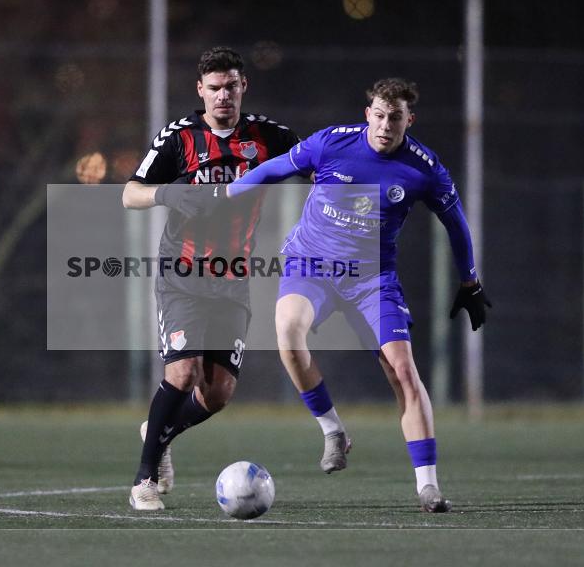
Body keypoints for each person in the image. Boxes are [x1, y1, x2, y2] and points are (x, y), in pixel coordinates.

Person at [226, 77, 491, 512]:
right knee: (288, 334)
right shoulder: (332, 142)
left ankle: (428, 485)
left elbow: (457, 224)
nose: (387, 126)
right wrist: (230, 191)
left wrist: (470, 281)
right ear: (368, 113)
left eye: (397, 118)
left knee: (403, 371)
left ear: (410, 120)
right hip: (311, 265)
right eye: (380, 115)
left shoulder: (423, 167)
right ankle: (332, 430)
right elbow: (277, 167)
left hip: (372, 279)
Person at [122, 46, 298, 510]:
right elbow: (129, 193)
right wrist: (169, 194)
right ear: (200, 90)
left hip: (234, 278)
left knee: (217, 393)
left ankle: (157, 431)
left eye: (231, 86)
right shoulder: (179, 138)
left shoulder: (269, 136)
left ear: (244, 87)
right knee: (183, 373)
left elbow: (317, 162)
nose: (223, 96)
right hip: (182, 273)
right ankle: (145, 478)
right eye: (214, 88)